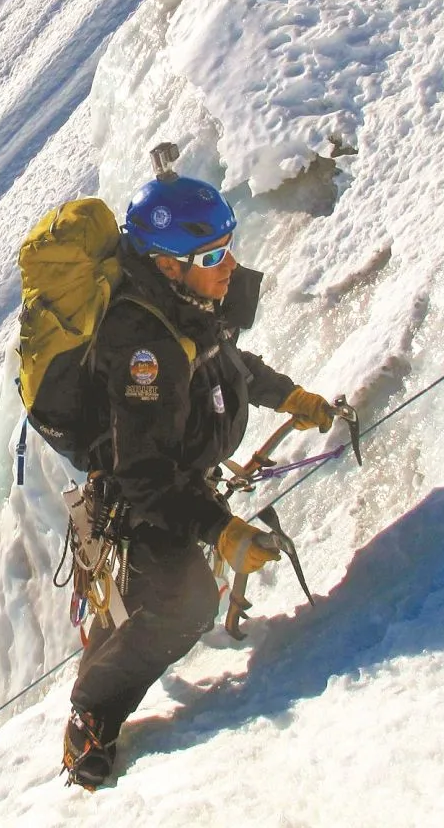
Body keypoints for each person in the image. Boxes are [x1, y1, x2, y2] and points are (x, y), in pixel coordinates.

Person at [61, 166, 336, 789]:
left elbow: (226, 362)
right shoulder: (144, 348)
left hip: (179, 480)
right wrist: (220, 529)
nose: (229, 265)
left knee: (156, 597)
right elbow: (145, 477)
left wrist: (288, 395)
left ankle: (105, 661)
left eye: (227, 247)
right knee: (182, 606)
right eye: (212, 255)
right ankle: (90, 715)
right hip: (144, 498)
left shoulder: (186, 303)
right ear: (166, 263)